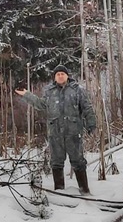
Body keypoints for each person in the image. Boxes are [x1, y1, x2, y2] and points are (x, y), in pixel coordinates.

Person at [15, 64, 96, 194]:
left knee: (78, 161)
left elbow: (87, 107)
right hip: (55, 133)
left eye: (62, 74)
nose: (60, 76)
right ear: (54, 77)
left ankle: (84, 190)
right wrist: (26, 94)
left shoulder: (77, 90)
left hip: (73, 132)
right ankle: (59, 191)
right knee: (56, 162)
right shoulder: (49, 91)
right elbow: (41, 104)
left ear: (67, 75)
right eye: (57, 74)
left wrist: (91, 124)